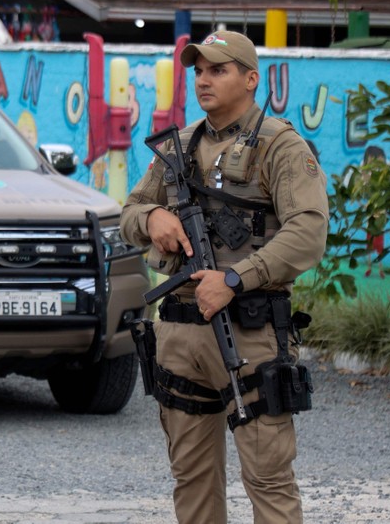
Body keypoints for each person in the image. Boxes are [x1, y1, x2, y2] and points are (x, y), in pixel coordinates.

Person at [121, 30, 329, 524]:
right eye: (198, 71)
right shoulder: (180, 146)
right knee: (191, 481)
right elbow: (129, 213)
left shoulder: (278, 146)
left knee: (269, 482)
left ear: (251, 79)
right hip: (180, 332)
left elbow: (309, 232)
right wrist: (153, 220)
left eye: (218, 69)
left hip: (248, 333)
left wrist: (235, 279)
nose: (203, 80)